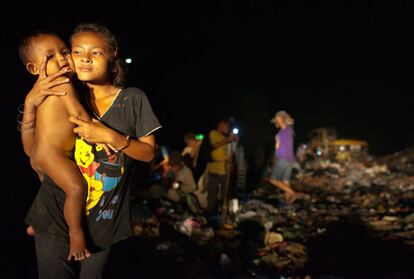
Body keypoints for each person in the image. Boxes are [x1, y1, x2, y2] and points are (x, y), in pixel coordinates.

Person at [22, 23, 161, 278]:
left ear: (113, 54)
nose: (84, 58)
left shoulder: (133, 99)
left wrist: (112, 137)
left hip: (103, 224)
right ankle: (37, 221)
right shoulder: (69, 90)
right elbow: (35, 148)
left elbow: (149, 154)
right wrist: (30, 105)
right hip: (53, 217)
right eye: (76, 51)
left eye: (95, 52)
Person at [18, 31, 95, 261]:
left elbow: (33, 127)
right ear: (34, 69)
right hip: (53, 154)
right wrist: (95, 129)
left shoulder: (39, 92)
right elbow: (79, 114)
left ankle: (37, 224)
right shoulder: (63, 84)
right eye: (50, 56)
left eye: (64, 52)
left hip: (36, 153)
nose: (62, 59)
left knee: (54, 193)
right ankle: (76, 234)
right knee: (75, 189)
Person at [267, 110, 302, 203]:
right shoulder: (286, 131)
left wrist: (276, 157)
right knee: (285, 182)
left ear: (280, 118)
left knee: (273, 180)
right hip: (290, 160)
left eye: (277, 119)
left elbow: (278, 148)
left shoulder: (286, 130)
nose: (276, 121)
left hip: (283, 159)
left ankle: (293, 193)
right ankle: (288, 202)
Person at [206, 118, 238, 216]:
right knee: (212, 192)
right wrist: (228, 139)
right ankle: (210, 212)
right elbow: (214, 146)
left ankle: (224, 212)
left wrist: (234, 142)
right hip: (214, 168)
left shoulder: (226, 138)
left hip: (225, 169)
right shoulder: (214, 133)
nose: (228, 128)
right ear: (221, 124)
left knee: (225, 193)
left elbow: (229, 153)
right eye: (227, 126)